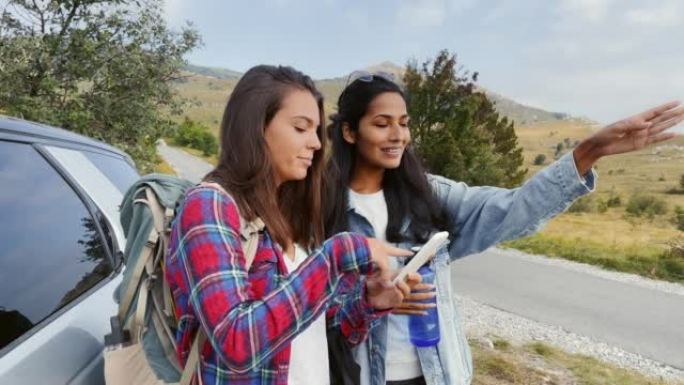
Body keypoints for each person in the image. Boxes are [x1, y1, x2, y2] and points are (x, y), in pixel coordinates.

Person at [324, 71, 684, 385]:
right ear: (350, 132)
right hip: (358, 375)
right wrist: (367, 302)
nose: (398, 135)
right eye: (382, 124)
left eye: (404, 123)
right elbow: (301, 309)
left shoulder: (432, 195)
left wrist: (589, 151)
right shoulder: (318, 208)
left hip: (438, 375)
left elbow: (514, 210)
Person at [165, 65, 418, 385]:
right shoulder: (210, 206)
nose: (315, 143)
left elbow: (318, 327)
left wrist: (369, 302)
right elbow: (236, 342)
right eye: (301, 128)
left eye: (316, 130)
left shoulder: (288, 213)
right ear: (256, 128)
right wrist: (336, 254)